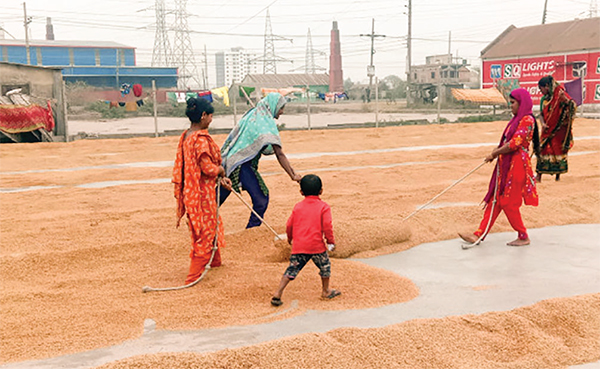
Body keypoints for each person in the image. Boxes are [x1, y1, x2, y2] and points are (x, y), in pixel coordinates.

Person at [459, 88, 539, 247]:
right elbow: (505, 142)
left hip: (517, 167)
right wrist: (496, 153)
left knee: (509, 202)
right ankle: (478, 234)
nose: (511, 106)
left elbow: (514, 144)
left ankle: (523, 235)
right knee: (495, 200)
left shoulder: (527, 120)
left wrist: (495, 153)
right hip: (507, 165)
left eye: (513, 103)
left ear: (521, 103)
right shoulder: (516, 120)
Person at [172, 97, 232, 284]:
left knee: (207, 225)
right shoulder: (201, 140)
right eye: (211, 116)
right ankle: (193, 276)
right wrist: (221, 170)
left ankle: (215, 262)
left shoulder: (186, 135)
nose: (211, 119)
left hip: (190, 191)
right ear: (204, 115)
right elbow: (208, 168)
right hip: (201, 193)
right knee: (205, 231)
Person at [219, 92, 301, 228]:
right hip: (242, 165)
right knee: (261, 197)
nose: (282, 112)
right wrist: (293, 175)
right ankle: (251, 231)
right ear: (274, 106)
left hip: (233, 162)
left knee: (220, 195)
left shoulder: (253, 115)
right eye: (281, 108)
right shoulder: (265, 121)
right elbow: (279, 153)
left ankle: (200, 219)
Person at [271, 174, 340, 307]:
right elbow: (327, 225)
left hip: (300, 246)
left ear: (301, 192)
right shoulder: (324, 207)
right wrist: (331, 241)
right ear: (321, 191)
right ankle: (326, 291)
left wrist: (290, 238)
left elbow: (289, 225)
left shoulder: (298, 207)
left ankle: (278, 293)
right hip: (317, 246)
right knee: (325, 267)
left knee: (292, 270)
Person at [536, 75, 577, 182]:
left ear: (546, 86)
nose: (541, 92)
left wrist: (566, 101)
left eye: (541, 89)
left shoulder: (560, 96)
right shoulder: (544, 100)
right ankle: (539, 176)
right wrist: (543, 124)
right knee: (542, 150)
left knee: (557, 151)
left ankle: (558, 176)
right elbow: (540, 114)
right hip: (546, 130)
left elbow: (572, 105)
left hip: (558, 131)